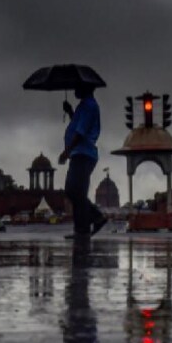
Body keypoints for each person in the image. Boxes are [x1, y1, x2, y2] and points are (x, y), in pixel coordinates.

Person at [59, 85, 106, 239]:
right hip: (81, 153)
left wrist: (66, 152)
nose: (75, 89)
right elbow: (80, 125)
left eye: (78, 86)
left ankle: (94, 219)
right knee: (77, 191)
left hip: (83, 153)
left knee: (73, 191)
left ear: (86, 88)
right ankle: (82, 229)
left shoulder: (88, 106)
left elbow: (80, 132)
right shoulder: (85, 106)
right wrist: (71, 112)